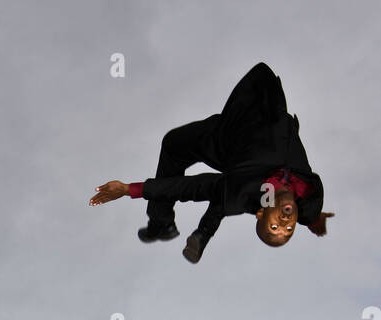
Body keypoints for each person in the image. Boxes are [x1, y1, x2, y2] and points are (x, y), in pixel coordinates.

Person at [89, 62, 333, 262]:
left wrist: (127, 189)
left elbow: (190, 188)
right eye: (288, 231)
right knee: (215, 192)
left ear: (261, 213)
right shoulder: (309, 198)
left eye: (274, 228)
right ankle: (163, 224)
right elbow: (308, 214)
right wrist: (314, 219)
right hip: (267, 104)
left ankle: (161, 221)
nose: (284, 225)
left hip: (225, 139)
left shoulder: (243, 190)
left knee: (174, 144)